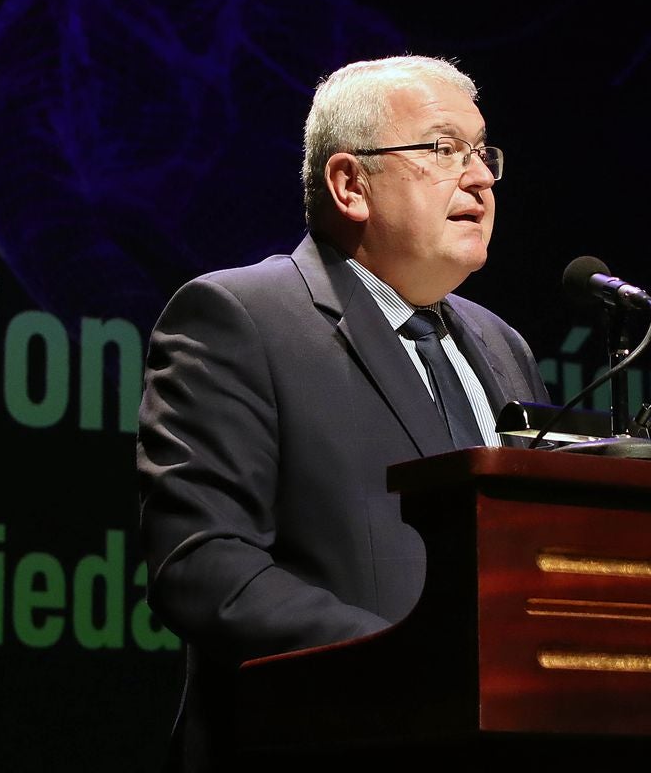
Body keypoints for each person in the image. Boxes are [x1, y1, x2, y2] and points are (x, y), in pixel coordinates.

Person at [136, 54, 550, 772]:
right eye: (445, 149)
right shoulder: (241, 318)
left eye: (484, 153)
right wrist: (402, 663)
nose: (481, 178)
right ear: (351, 184)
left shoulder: (501, 344)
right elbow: (202, 565)